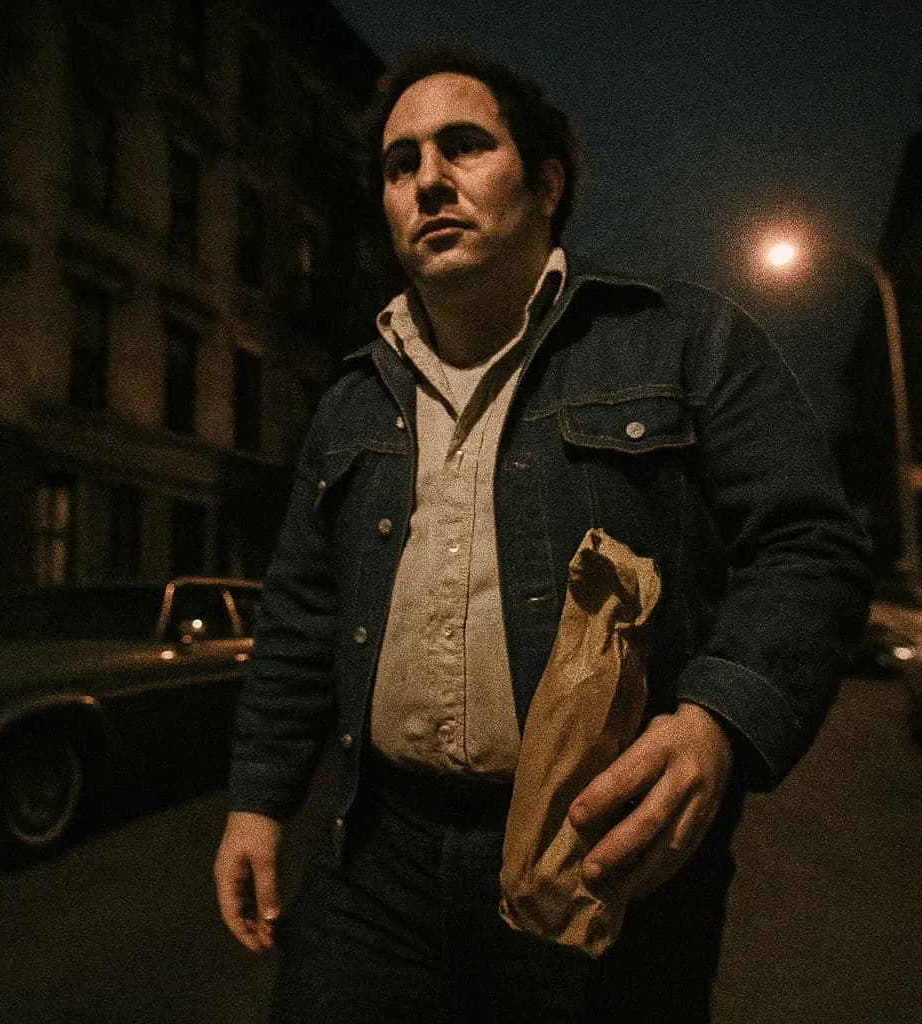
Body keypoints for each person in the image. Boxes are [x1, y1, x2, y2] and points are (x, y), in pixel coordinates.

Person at [214, 45, 872, 1023]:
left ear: (547, 182)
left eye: (464, 145)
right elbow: (304, 612)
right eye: (401, 164)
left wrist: (718, 720)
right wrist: (259, 798)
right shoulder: (354, 398)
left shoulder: (684, 339)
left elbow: (811, 543)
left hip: (600, 851)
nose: (428, 177)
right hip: (378, 856)